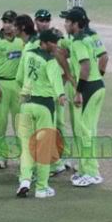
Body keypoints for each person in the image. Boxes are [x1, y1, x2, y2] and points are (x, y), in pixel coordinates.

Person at [15, 30, 66, 198]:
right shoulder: (50, 61)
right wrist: (61, 95)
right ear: (44, 42)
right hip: (44, 106)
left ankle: (25, 180)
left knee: (26, 147)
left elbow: (19, 78)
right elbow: (56, 81)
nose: (56, 46)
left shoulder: (27, 54)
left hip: (26, 105)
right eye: (54, 42)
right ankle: (42, 188)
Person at [63, 8, 105, 187]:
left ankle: (91, 173)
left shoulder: (79, 42)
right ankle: (87, 168)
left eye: (67, 22)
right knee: (89, 130)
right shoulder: (87, 38)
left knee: (85, 132)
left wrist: (78, 91)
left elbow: (85, 66)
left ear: (74, 24)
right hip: (97, 86)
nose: (65, 24)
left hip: (88, 88)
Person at [35, 9, 74, 175]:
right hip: (41, 90)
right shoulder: (34, 40)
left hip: (56, 90)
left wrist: (65, 79)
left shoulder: (59, 38)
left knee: (59, 124)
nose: (44, 23)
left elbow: (68, 55)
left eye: (47, 20)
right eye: (41, 20)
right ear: (36, 21)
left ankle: (62, 157)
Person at [0, 10, 23, 168]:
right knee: (0, 123)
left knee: (19, 123)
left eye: (11, 22)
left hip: (17, 85)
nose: (7, 25)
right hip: (0, 84)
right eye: (5, 22)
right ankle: (1, 156)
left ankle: (23, 157)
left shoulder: (21, 41)